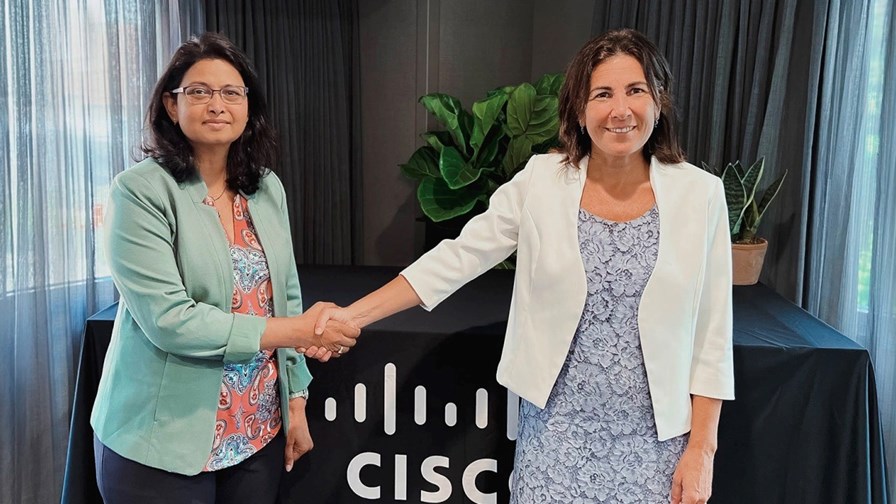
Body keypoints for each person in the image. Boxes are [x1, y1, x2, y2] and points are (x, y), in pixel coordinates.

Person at [304, 28, 733, 503]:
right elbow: (458, 258)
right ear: (579, 108)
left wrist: (703, 449)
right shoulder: (542, 181)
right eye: (603, 94)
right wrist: (352, 316)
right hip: (556, 433)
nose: (620, 110)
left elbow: (712, 332)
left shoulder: (701, 195)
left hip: (657, 442)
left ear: (659, 100)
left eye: (636, 91)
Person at [91, 32, 359, 504]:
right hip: (161, 442)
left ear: (248, 108)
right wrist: (299, 332)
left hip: (256, 430)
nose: (217, 104)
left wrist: (295, 402)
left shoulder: (266, 188)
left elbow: (286, 293)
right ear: (172, 107)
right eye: (199, 91)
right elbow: (172, 322)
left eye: (231, 92)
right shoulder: (138, 192)